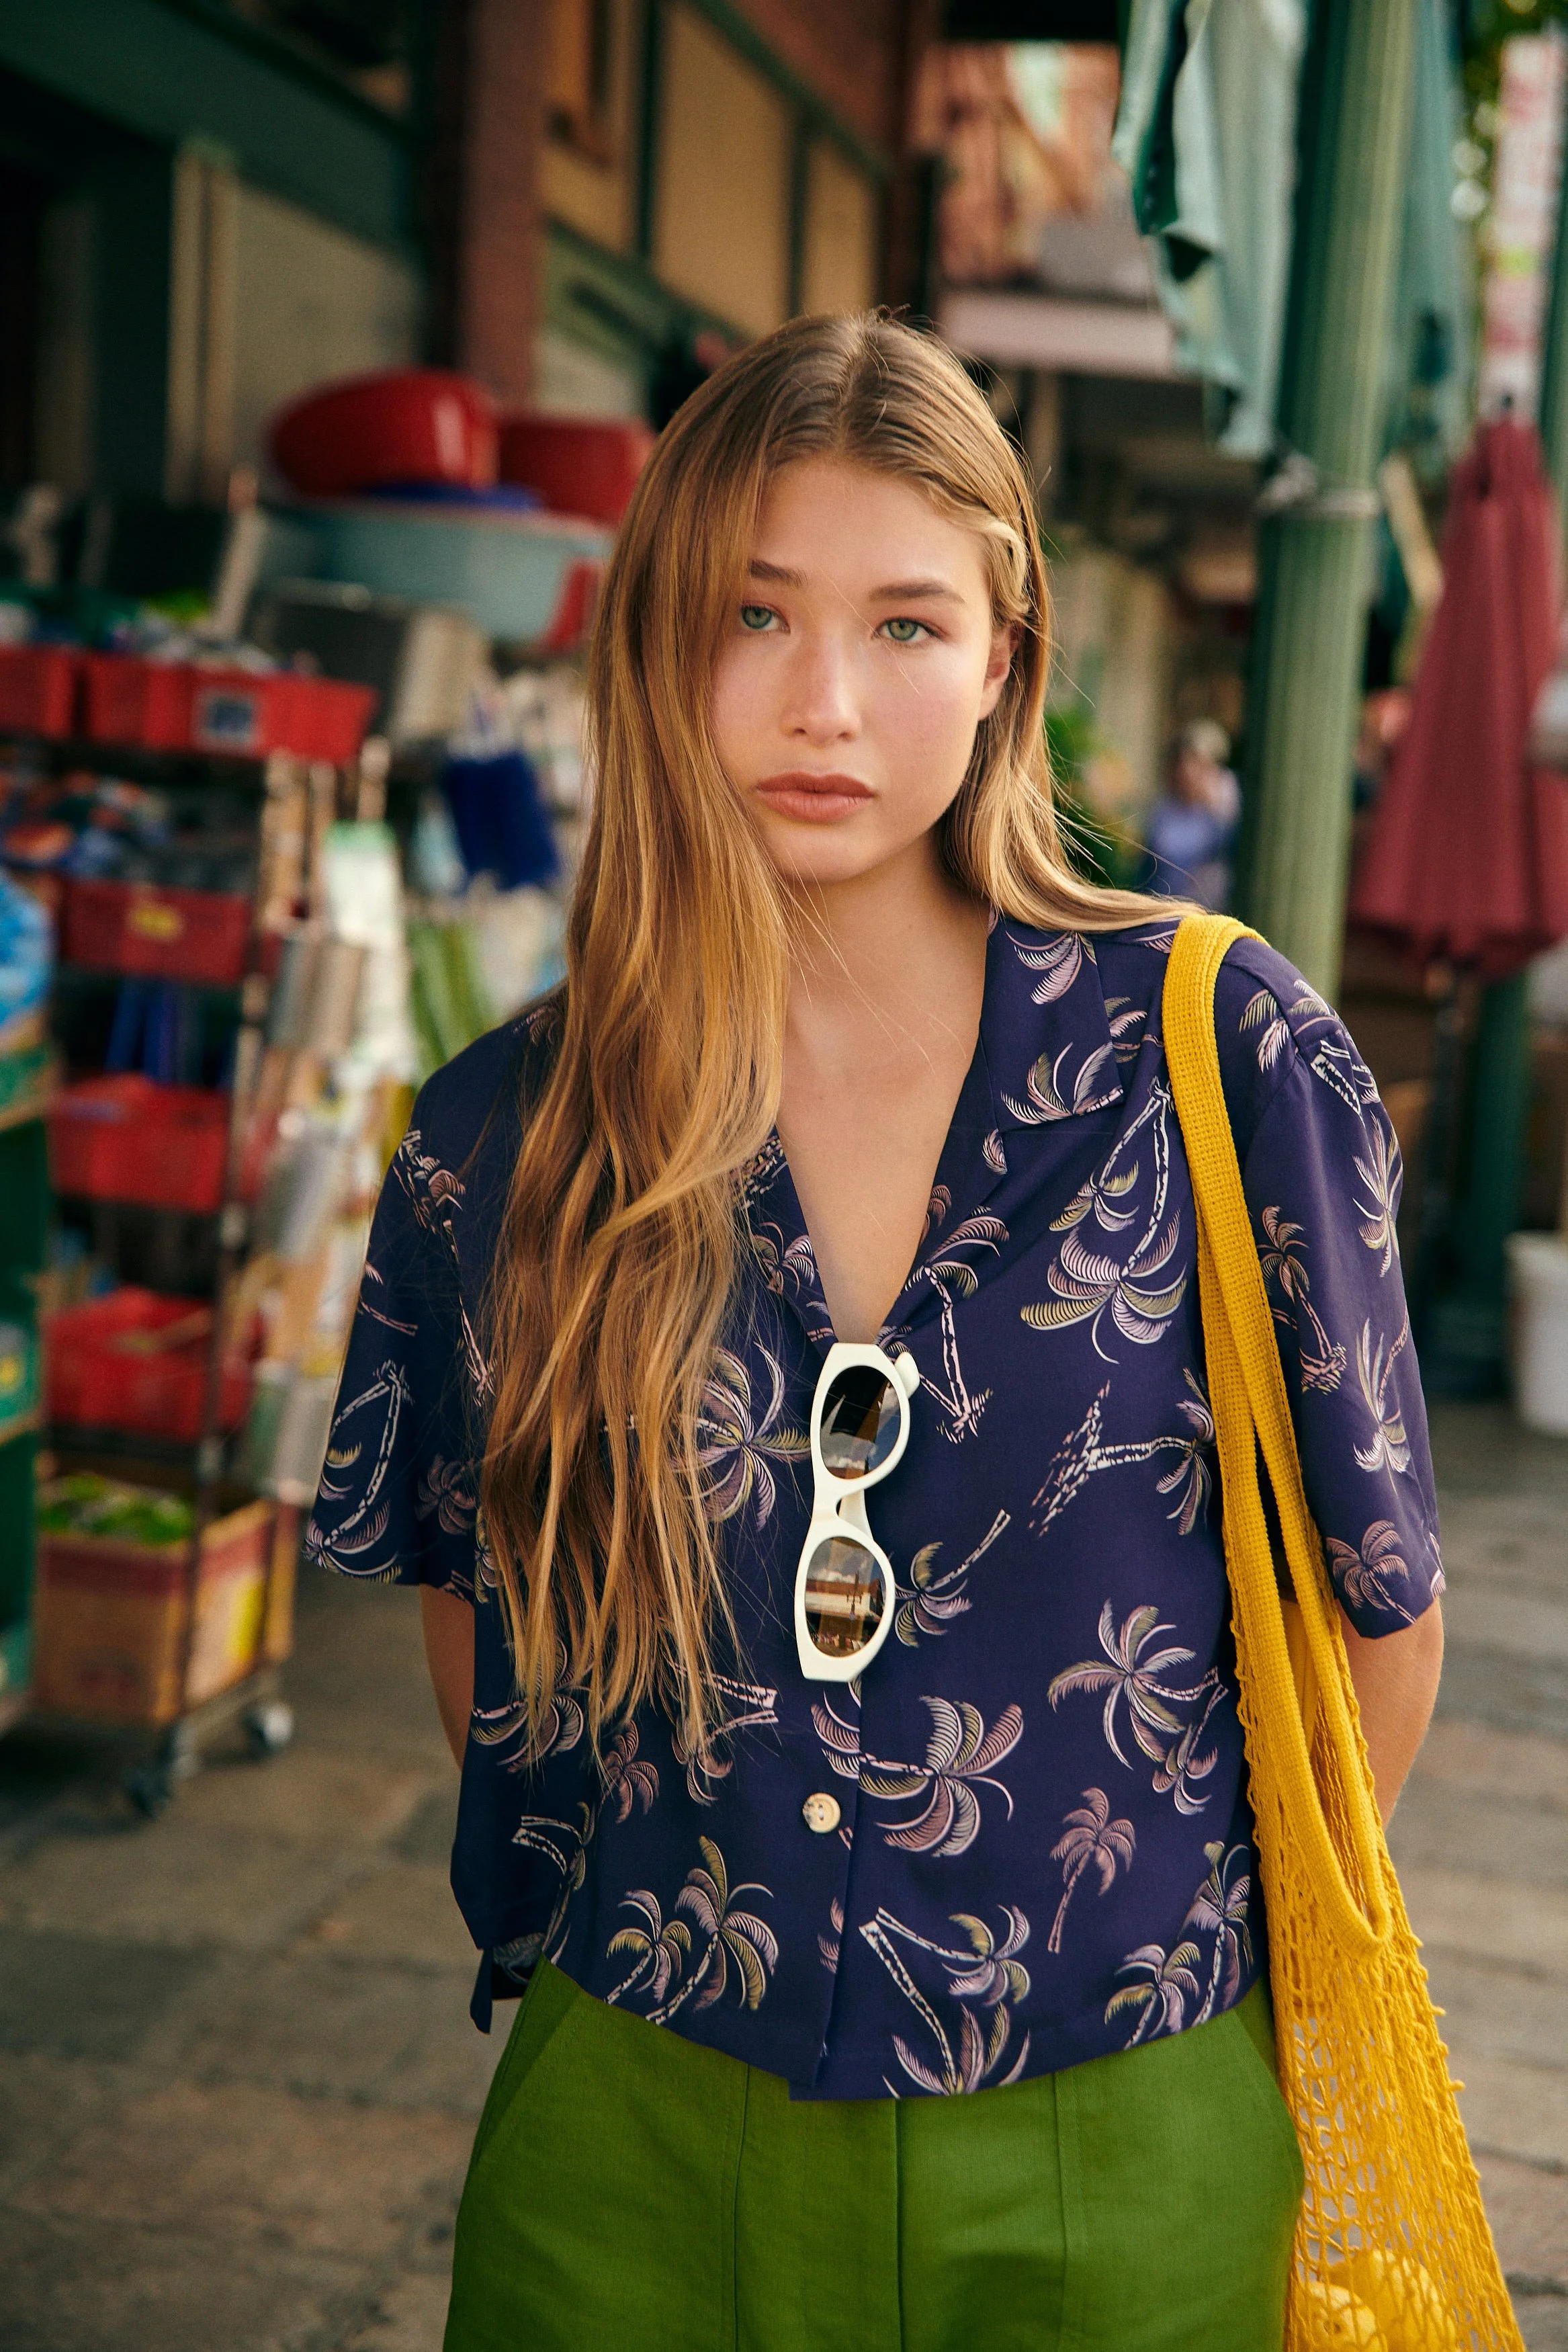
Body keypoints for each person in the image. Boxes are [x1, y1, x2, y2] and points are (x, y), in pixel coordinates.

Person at [308, 313, 1444, 2352]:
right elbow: (482, 1620)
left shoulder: (1215, 1059)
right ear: (655, 640)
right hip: (630, 2125)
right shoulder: (512, 1131)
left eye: (905, 624)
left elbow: (1377, 1616)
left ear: (1006, 654)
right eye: (752, 613)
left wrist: (1143, 1983)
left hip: (1122, 2136)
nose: (820, 702)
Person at [1144, 718, 1242, 909]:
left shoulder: (1228, 806)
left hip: (1210, 913)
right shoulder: (1165, 809)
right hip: (1165, 908)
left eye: (1197, 762)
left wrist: (1219, 811)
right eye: (1184, 761)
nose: (1188, 770)